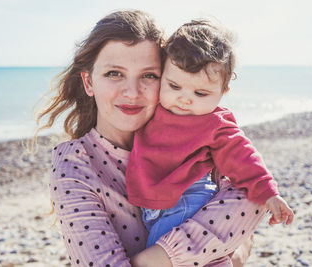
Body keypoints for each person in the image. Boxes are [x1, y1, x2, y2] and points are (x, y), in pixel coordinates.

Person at [38, 10, 273, 266]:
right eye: (114, 73)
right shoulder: (75, 165)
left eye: (149, 75)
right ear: (89, 82)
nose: (132, 92)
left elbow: (253, 196)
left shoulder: (196, 134)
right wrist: (217, 249)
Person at [126, 19, 295, 249]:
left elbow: (243, 157)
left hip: (188, 200)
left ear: (223, 92)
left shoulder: (214, 123)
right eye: (174, 86)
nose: (184, 98)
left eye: (201, 93)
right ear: (161, 75)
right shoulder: (153, 107)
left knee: (161, 258)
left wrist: (269, 194)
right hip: (152, 205)